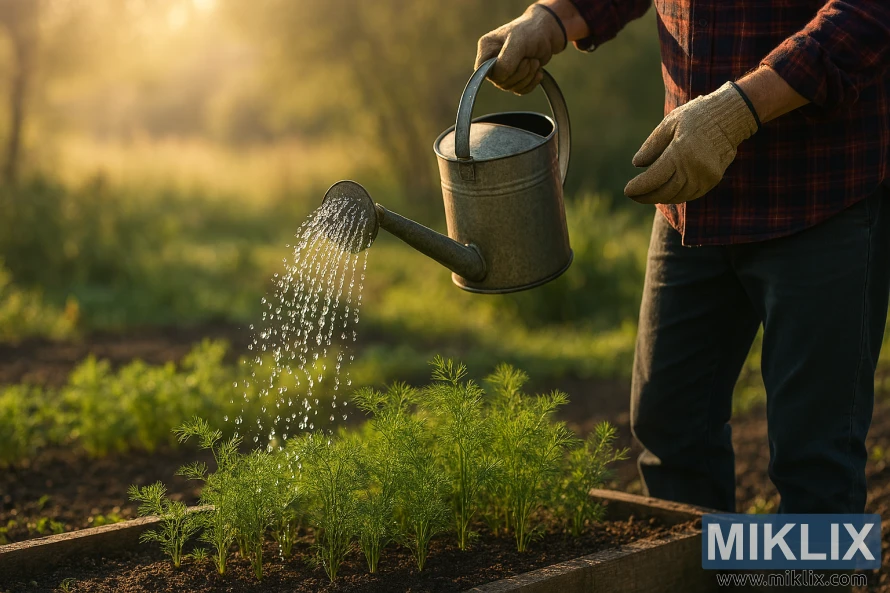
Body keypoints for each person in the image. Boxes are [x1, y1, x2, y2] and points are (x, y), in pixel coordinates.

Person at [475, 1, 890, 515]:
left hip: (819, 193)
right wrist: (555, 18)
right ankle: (696, 578)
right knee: (672, 437)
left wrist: (740, 109)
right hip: (691, 191)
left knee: (817, 463)